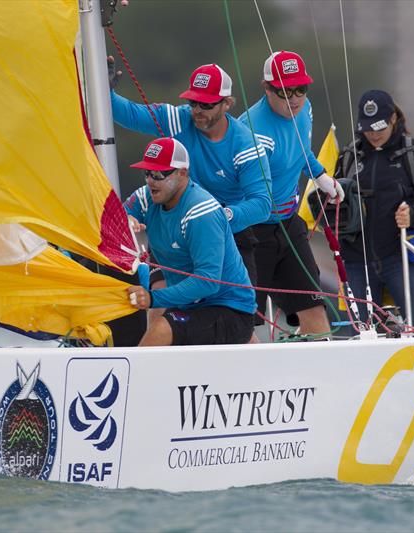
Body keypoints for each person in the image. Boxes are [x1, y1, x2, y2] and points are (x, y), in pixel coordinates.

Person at [111, 62, 271, 286]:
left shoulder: (246, 145)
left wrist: (217, 216)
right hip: (173, 228)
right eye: (193, 101)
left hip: (226, 233)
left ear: (227, 103)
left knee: (240, 315)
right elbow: (130, 114)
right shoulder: (178, 119)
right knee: (158, 305)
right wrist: (105, 91)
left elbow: (262, 204)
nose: (197, 110)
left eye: (205, 104)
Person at [238, 51, 344, 337]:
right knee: (244, 321)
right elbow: (252, 192)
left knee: (315, 311)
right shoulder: (252, 131)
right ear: (267, 88)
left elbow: (301, 149)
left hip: (288, 225)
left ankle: (321, 379)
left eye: (301, 89)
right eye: (286, 91)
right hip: (251, 231)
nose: (295, 98)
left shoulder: (305, 109)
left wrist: (321, 176)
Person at [124, 137, 256, 346]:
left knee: (160, 328)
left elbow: (208, 281)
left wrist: (152, 298)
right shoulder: (148, 196)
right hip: (192, 307)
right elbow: (118, 215)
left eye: (159, 174)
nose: (151, 181)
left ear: (182, 173)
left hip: (229, 310)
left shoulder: (200, 213)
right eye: (147, 172)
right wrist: (127, 220)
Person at [339, 89, 414, 329]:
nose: (373, 134)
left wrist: (413, 216)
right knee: (358, 335)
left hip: (402, 257)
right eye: (367, 128)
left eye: (379, 127)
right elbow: (332, 206)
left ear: (393, 119)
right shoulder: (348, 156)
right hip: (356, 261)